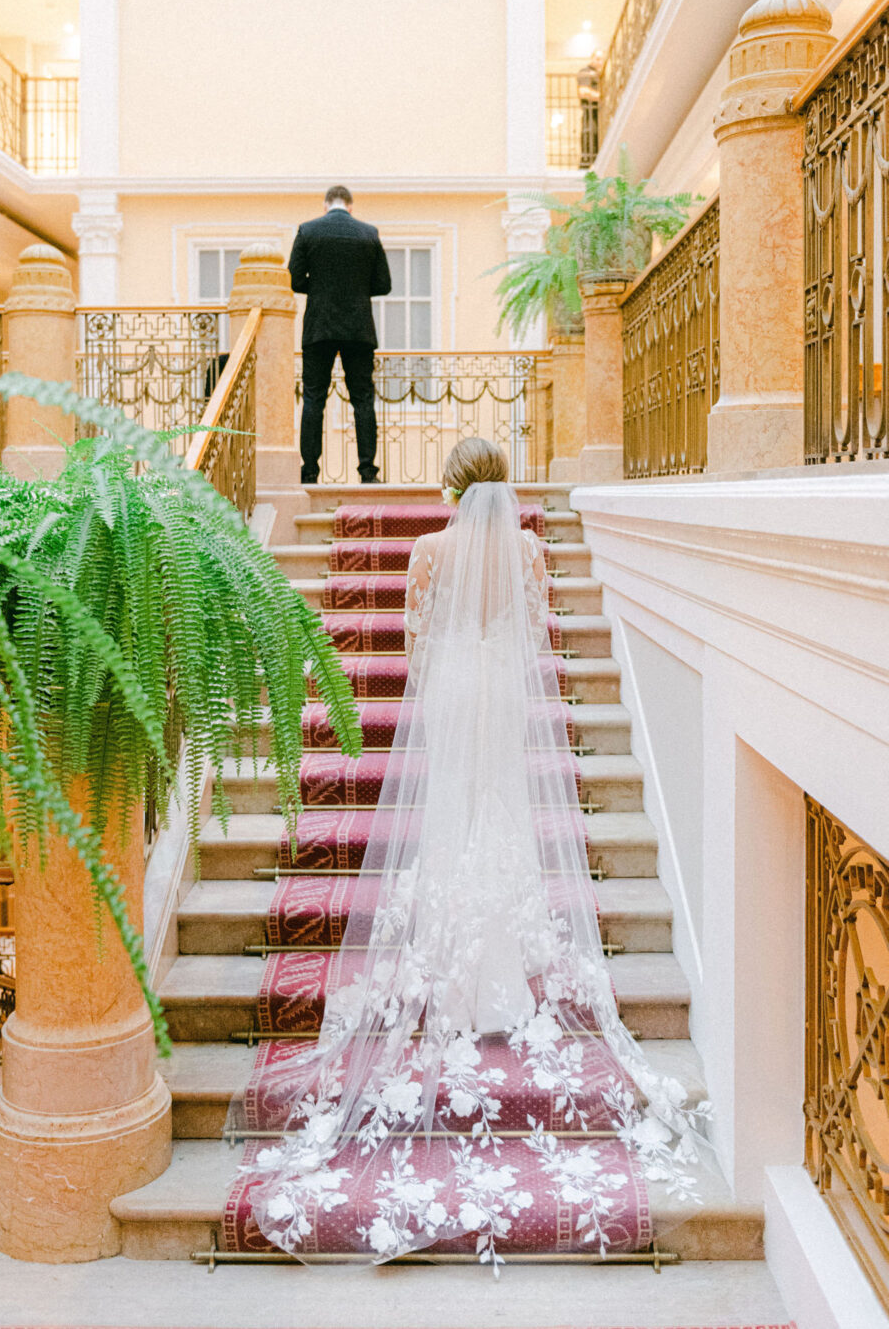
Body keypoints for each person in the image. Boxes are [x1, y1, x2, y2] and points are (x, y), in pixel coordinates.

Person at [235, 437, 707, 1267]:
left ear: (454, 484)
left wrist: (441, 682)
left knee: (451, 811)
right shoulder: (526, 544)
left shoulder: (428, 548)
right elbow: (536, 626)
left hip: (455, 684)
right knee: (501, 811)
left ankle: (450, 959)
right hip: (504, 688)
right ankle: (501, 961)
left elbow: (416, 639)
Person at [290, 184, 392, 485]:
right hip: (359, 328)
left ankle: (309, 471)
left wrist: (320, 288)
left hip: (319, 326)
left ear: (325, 206)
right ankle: (367, 471)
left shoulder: (308, 230)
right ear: (351, 206)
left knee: (313, 398)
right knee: (362, 398)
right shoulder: (369, 233)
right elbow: (383, 284)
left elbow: (294, 279)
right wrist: (357, 290)